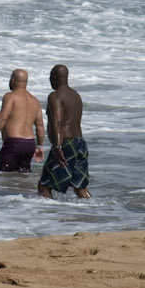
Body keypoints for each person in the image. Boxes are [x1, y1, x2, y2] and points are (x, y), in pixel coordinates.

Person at [38, 64, 91, 199]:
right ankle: (97, 212)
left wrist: (58, 147)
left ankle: (49, 218)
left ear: (54, 78)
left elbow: (58, 122)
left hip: (66, 143)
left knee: (44, 187)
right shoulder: (75, 95)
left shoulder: (55, 96)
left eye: (50, 77)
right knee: (81, 189)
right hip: (80, 143)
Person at [0, 69, 45, 172]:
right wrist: (39, 146)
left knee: (3, 175)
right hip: (30, 144)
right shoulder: (35, 101)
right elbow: (40, 126)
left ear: (12, 81)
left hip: (14, 143)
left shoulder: (10, 96)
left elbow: (3, 117)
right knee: (22, 179)